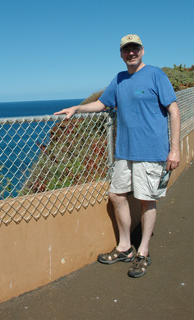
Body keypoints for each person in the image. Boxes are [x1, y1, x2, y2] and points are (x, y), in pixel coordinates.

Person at [54, 34, 181, 278]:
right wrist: (77, 108)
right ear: (121, 54)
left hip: (152, 152)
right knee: (116, 195)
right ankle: (125, 248)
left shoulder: (156, 75)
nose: (130, 53)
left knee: (146, 199)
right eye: (126, 50)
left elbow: (173, 110)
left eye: (134, 49)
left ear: (142, 50)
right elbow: (102, 104)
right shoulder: (120, 79)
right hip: (125, 152)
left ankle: (143, 251)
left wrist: (173, 149)